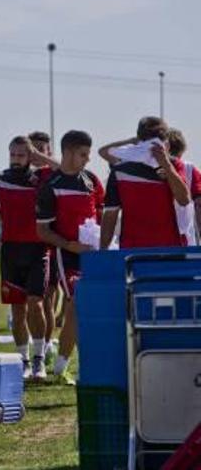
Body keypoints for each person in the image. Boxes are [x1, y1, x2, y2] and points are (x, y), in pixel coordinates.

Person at [0, 136, 59, 381]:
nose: (16, 160)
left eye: (21, 155)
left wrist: (40, 157)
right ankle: (23, 360)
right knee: (18, 309)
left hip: (38, 250)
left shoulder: (42, 177)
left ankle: (39, 359)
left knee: (36, 304)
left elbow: (65, 170)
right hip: (10, 252)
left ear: (30, 156)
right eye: (12, 154)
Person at [36, 130, 105, 385]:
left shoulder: (92, 181)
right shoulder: (50, 187)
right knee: (77, 303)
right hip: (68, 256)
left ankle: (83, 365)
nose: (87, 159)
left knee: (93, 307)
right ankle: (62, 367)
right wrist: (69, 245)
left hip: (96, 255)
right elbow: (42, 230)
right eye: (83, 154)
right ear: (67, 152)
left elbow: (102, 216)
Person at [98, 117, 199, 249]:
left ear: (166, 145)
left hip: (170, 249)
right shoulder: (120, 169)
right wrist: (102, 252)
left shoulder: (174, 165)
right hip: (132, 251)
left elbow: (184, 199)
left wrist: (166, 165)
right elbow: (110, 214)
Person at [28, 131, 60, 364]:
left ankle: (47, 345)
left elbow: (65, 168)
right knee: (30, 303)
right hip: (24, 246)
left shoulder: (53, 173)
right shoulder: (23, 174)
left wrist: (43, 158)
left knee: (47, 299)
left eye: (43, 148)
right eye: (34, 148)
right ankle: (36, 345)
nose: (38, 153)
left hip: (50, 244)